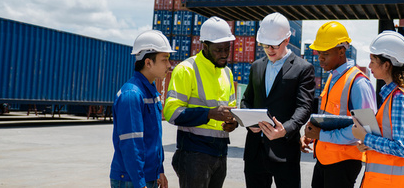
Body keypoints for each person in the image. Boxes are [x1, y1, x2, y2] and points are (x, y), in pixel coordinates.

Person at [241, 12, 316, 188]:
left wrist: (285, 130)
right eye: (265, 45)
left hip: (284, 152)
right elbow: (246, 100)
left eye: (274, 45)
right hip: (254, 152)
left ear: (287, 39)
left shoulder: (303, 69)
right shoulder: (256, 66)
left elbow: (304, 107)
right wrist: (247, 121)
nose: (269, 50)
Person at [163, 17, 239, 188]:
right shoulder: (186, 69)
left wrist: (232, 123)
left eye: (227, 48)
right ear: (204, 46)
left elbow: (232, 109)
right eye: (219, 49)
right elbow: (171, 112)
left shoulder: (227, 73)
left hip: (220, 152)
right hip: (193, 153)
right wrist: (209, 113)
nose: (224, 54)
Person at [299, 21, 377, 188]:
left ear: (341, 51)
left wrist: (322, 136)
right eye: (319, 52)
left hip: (343, 163)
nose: (320, 58)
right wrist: (313, 134)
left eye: (325, 53)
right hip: (324, 160)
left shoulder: (359, 83)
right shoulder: (332, 77)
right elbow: (328, 118)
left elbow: (365, 129)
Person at [351, 31, 404, 188]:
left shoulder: (399, 98)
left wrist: (366, 138)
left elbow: (401, 148)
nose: (369, 65)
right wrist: (369, 144)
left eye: (373, 61)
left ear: (387, 65)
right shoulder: (393, 96)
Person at [110, 30, 174, 188]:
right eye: (164, 59)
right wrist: (140, 183)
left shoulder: (150, 91)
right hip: (131, 180)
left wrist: (159, 170)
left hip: (147, 176)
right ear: (148, 63)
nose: (169, 65)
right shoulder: (132, 95)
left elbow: (154, 138)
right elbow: (131, 144)